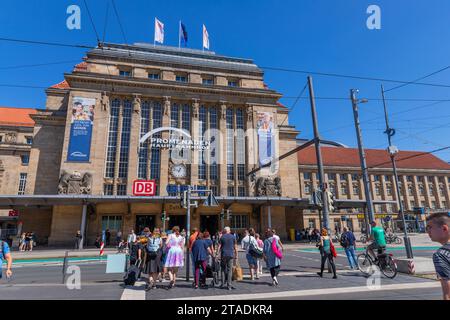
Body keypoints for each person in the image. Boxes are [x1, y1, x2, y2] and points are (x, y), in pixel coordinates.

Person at [426, 212, 450, 300]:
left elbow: (448, 294)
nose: (427, 231)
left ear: (444, 228)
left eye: (430, 227)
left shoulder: (441, 255)